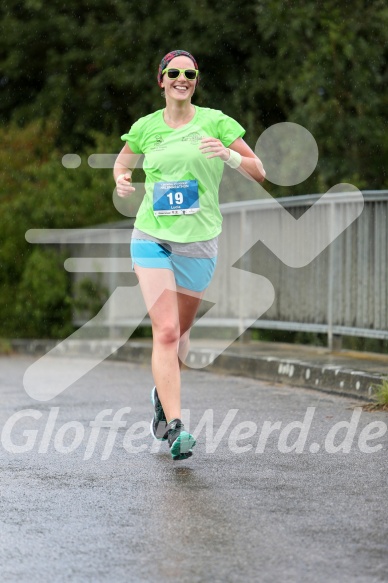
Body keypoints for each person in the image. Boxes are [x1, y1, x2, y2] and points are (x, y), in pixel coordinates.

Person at [114, 49, 265, 461]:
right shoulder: (145, 127)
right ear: (161, 79)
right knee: (164, 331)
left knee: (180, 336)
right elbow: (122, 163)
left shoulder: (215, 121)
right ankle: (177, 427)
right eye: (174, 72)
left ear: (195, 80)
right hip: (151, 236)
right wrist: (123, 178)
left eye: (190, 73)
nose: (182, 78)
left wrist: (229, 154)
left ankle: (161, 398)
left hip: (198, 242)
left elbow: (259, 170)